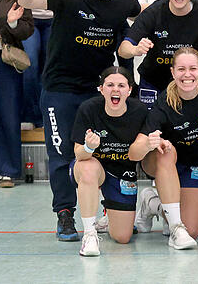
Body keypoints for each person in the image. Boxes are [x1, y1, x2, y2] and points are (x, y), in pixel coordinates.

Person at [17, 0, 140, 241]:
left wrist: (136, 44)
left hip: (97, 90)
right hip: (59, 88)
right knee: (60, 155)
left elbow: (142, 18)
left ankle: (111, 209)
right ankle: (65, 215)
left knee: (106, 150)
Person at [133, 48, 198, 245]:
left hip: (193, 165)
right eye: (181, 69)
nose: (187, 74)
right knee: (167, 150)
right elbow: (134, 153)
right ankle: (175, 229)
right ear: (173, 72)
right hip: (162, 163)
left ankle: (152, 203)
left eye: (192, 68)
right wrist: (149, 144)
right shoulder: (164, 103)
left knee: (192, 230)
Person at [70, 66, 149, 256]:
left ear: (129, 90)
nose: (115, 89)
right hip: (91, 168)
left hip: (121, 172)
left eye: (121, 85)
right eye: (110, 84)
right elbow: (78, 154)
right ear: (101, 88)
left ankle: (144, 203)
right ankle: (89, 235)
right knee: (88, 167)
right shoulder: (88, 109)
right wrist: (89, 147)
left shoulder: (139, 111)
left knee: (123, 237)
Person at [0, 0, 33, 188]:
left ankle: (8, 171)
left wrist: (11, 23)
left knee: (8, 116)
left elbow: (28, 29)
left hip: (4, 61)